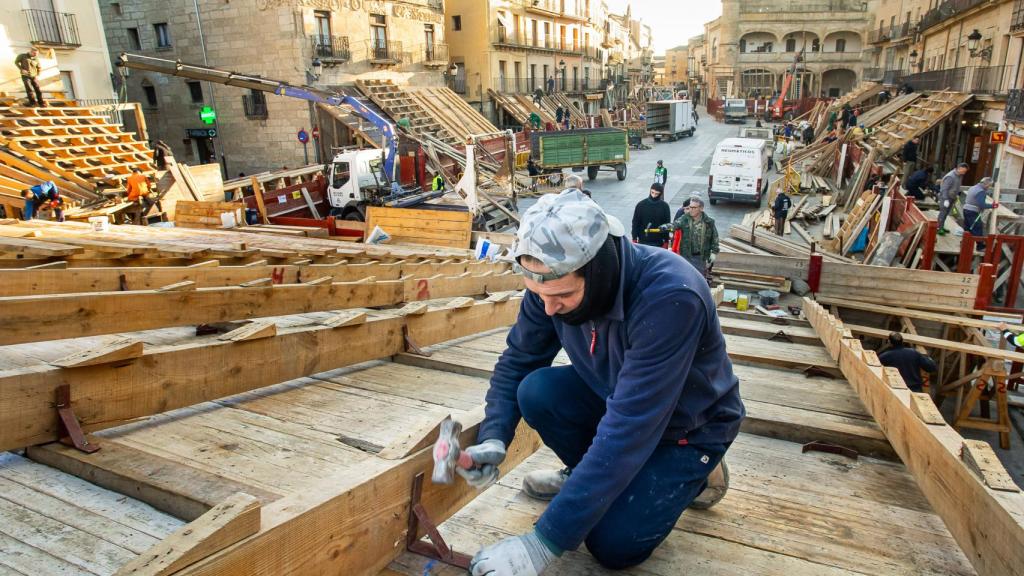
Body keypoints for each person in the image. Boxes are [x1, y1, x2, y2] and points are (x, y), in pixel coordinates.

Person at [461, 189, 743, 576]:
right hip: (616, 397)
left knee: (612, 545)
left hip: (687, 428)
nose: (548, 308)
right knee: (537, 391)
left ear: (599, 270)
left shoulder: (670, 296)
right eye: (539, 295)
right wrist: (494, 436)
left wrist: (543, 543)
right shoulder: (551, 283)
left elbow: (630, 427)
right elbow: (518, 360)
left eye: (562, 295)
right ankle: (588, 478)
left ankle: (695, 474)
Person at [667, 196, 719, 279]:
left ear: (701, 208)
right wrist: (666, 227)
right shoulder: (684, 219)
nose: (691, 209)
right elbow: (675, 225)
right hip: (686, 256)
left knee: (698, 279)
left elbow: (714, 238)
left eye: (694, 208)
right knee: (685, 278)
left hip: (701, 258)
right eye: (690, 207)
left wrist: (714, 253)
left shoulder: (709, 222)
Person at [631, 183, 671, 247]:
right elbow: (635, 222)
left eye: (656, 194)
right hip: (643, 240)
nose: (654, 195)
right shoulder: (641, 205)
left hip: (658, 241)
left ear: (660, 194)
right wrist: (634, 238)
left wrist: (666, 241)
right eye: (652, 192)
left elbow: (667, 224)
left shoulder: (665, 206)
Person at [937, 163, 969, 235]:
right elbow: (944, 189)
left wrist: (956, 195)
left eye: (965, 172)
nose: (964, 173)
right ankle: (939, 228)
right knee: (943, 213)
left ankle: (941, 226)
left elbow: (956, 186)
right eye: (963, 171)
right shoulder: (950, 176)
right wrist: (945, 199)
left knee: (946, 213)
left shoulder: (960, 176)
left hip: (952, 197)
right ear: (959, 168)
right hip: (945, 197)